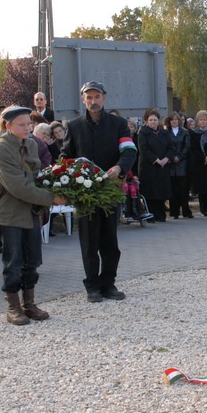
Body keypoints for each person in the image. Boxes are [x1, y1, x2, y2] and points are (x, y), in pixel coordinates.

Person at [0, 106, 67, 325]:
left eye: (29, 124)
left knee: (32, 260)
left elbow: (37, 175)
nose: (27, 128)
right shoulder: (1, 148)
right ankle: (13, 307)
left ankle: (29, 304)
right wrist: (51, 197)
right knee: (13, 261)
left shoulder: (30, 144)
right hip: (10, 212)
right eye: (21, 124)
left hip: (30, 210)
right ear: (8, 126)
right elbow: (18, 186)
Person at [61, 81, 137, 303]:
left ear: (104, 98)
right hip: (85, 193)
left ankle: (108, 284)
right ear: (83, 99)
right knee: (88, 243)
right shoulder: (74, 126)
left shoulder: (118, 124)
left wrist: (120, 168)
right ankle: (92, 286)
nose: (93, 101)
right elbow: (65, 156)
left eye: (97, 97)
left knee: (110, 242)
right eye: (89, 97)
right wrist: (74, 173)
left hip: (110, 191)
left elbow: (129, 151)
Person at [137, 109, 174, 222]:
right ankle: (151, 215)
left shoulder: (164, 133)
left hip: (163, 167)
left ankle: (161, 214)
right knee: (150, 193)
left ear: (159, 121)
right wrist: (156, 160)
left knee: (161, 192)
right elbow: (144, 149)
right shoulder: (143, 133)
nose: (153, 122)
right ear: (146, 121)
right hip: (149, 167)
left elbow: (171, 147)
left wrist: (166, 159)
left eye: (155, 120)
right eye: (151, 120)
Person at [164, 112, 193, 219]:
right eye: (172, 120)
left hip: (182, 163)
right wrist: (172, 157)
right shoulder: (166, 133)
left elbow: (187, 146)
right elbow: (165, 146)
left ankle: (186, 211)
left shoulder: (185, 132)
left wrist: (179, 157)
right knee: (173, 189)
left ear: (179, 121)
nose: (174, 121)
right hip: (170, 163)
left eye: (176, 119)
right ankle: (174, 212)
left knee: (183, 188)